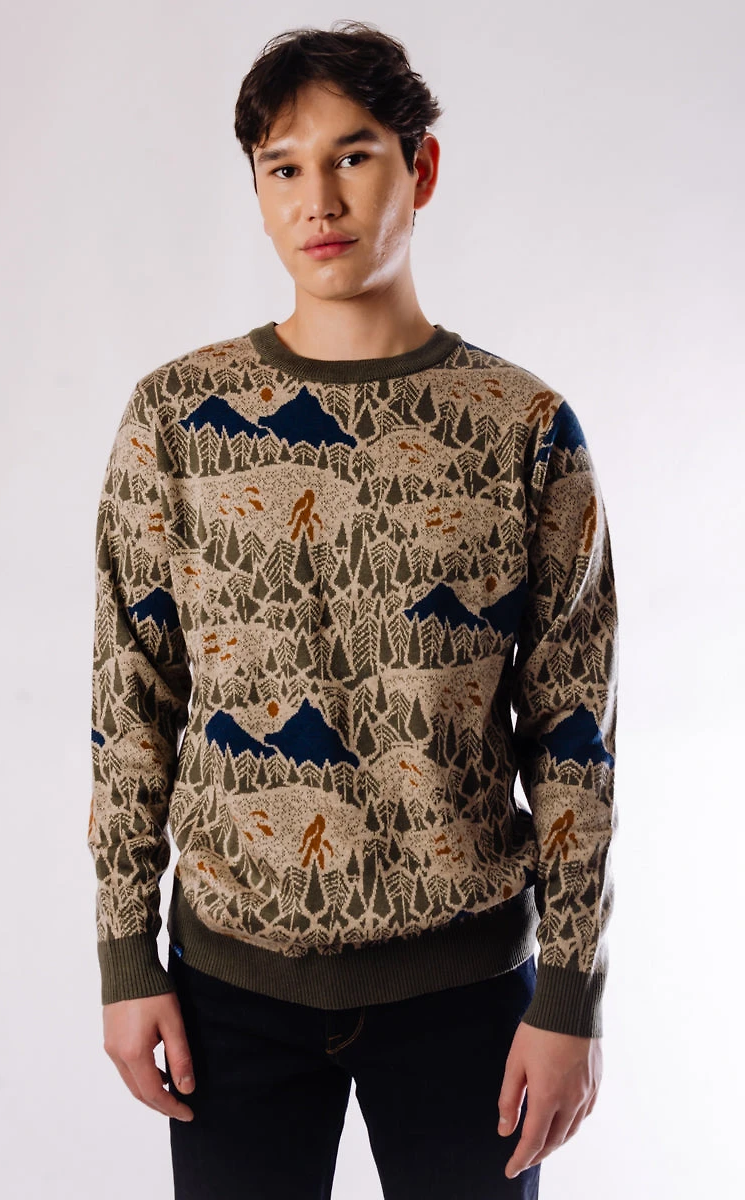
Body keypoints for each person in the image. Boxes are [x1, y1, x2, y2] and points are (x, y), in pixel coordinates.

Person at [88, 19, 619, 1200]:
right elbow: (131, 698)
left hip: (467, 995)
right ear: (256, 191)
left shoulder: (522, 427)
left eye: (352, 155)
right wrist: (126, 953)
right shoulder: (174, 418)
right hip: (228, 990)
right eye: (282, 166)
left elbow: (573, 728)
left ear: (418, 168)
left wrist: (571, 994)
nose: (316, 199)